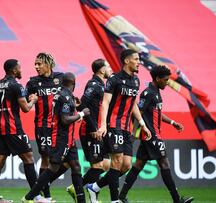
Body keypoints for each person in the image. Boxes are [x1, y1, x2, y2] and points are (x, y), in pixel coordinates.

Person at [118, 65, 194, 203]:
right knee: (164, 164)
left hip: (152, 135)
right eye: (165, 80)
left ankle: (121, 197)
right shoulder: (148, 93)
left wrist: (172, 122)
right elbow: (138, 113)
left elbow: (157, 113)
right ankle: (177, 200)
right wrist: (135, 134)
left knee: (138, 165)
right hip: (151, 136)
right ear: (157, 78)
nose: (167, 82)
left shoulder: (156, 92)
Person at [86, 49, 151, 203]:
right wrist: (103, 125)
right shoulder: (114, 79)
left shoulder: (136, 81)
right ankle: (115, 200)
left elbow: (133, 104)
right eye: (136, 59)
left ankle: (94, 187)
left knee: (126, 165)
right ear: (127, 61)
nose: (138, 62)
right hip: (113, 125)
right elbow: (106, 102)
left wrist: (142, 124)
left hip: (127, 127)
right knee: (116, 161)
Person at [22, 72, 90, 203]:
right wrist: (81, 113)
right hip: (61, 138)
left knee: (76, 166)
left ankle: (81, 201)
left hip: (69, 139)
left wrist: (74, 108)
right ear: (73, 84)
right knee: (53, 167)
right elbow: (64, 120)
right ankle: (29, 197)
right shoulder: (64, 96)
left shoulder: (63, 94)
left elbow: (63, 113)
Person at [0, 59, 38, 203]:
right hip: (14, 130)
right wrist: (33, 100)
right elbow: (26, 109)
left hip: (1, 132)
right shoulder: (16, 85)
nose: (21, 70)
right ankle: (36, 196)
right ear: (14, 70)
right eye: (19, 68)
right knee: (28, 159)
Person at [67, 59, 112, 202]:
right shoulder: (93, 85)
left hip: (98, 129)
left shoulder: (102, 85)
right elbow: (82, 106)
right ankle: (78, 188)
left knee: (105, 165)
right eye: (109, 66)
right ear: (102, 70)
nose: (111, 69)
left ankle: (84, 188)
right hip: (90, 130)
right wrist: (93, 128)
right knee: (97, 165)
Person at [25, 52, 64, 200]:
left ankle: (40, 188)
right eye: (35, 64)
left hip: (60, 126)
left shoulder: (60, 78)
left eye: (39, 64)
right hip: (43, 126)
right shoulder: (32, 83)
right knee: (46, 159)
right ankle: (46, 197)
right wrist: (31, 99)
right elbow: (24, 101)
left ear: (48, 64)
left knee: (64, 161)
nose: (36, 67)